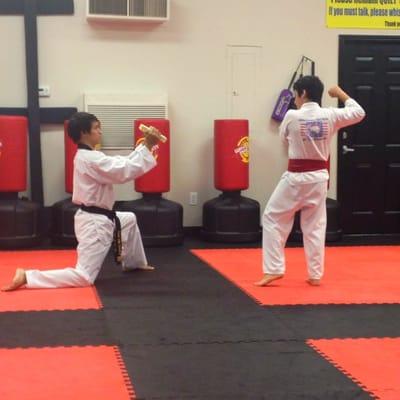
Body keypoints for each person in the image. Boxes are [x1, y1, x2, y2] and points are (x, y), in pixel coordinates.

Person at [2, 112, 160, 291]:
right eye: (96, 128)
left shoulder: (91, 156)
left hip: (99, 216)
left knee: (129, 219)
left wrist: (144, 147)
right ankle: (28, 277)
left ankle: (134, 263)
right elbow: (123, 170)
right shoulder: (91, 159)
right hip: (95, 225)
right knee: (84, 276)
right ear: (84, 133)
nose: (100, 132)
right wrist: (147, 145)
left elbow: (121, 162)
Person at [255, 77, 365, 287]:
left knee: (272, 218)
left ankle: (273, 269)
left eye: (295, 94)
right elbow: (359, 113)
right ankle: (315, 275)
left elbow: (283, 139)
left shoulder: (292, 115)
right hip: (319, 179)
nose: (295, 100)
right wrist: (341, 94)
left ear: (303, 92)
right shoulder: (331, 115)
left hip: (296, 177)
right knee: (314, 226)